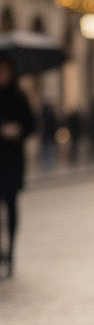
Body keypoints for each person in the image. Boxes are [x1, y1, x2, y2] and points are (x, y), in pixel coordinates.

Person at [0, 54, 37, 277]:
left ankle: (11, 251)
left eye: (5, 71)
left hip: (12, 161)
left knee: (11, 206)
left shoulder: (19, 97)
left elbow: (31, 125)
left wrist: (18, 131)